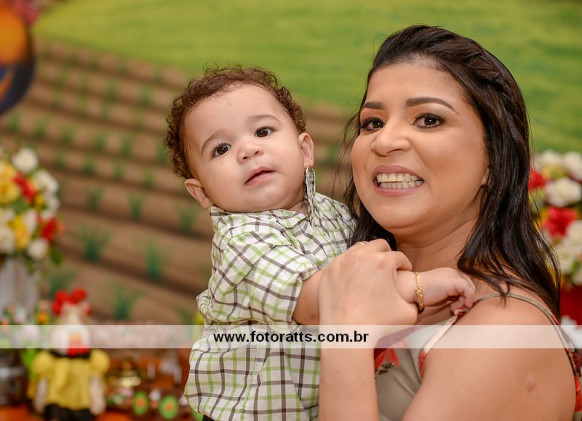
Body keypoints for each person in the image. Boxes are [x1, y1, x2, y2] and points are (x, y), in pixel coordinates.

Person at [163, 66, 476, 420]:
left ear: (305, 150)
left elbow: (371, 292)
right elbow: (323, 301)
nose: (248, 150)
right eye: (221, 149)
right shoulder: (240, 242)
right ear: (202, 193)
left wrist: (426, 302)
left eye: (263, 131)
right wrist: (420, 285)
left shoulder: (334, 214)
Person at [316, 25, 581, 421]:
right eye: (372, 122)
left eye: (428, 119)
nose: (384, 141)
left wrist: (345, 334)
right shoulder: (359, 284)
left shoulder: (503, 332)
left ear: (492, 161)